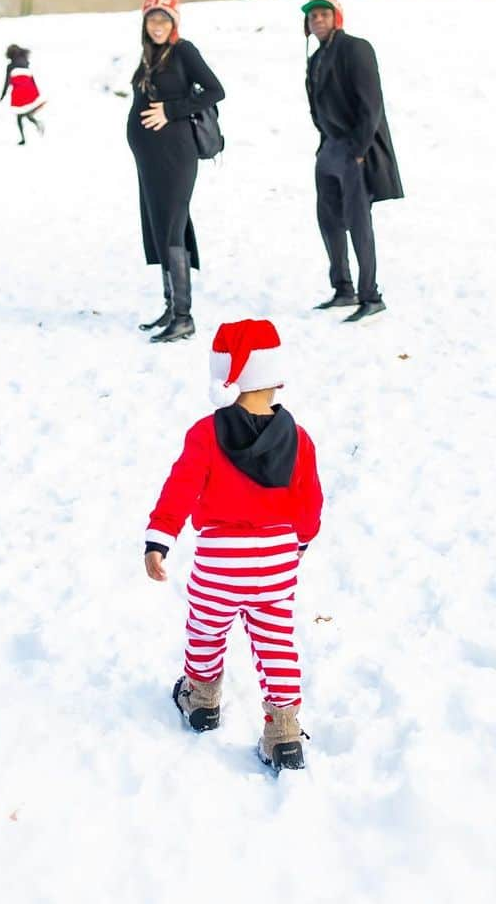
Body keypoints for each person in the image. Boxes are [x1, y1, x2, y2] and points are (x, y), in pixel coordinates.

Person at [144, 319, 323, 771]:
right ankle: (283, 733)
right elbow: (311, 502)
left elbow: (180, 489)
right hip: (276, 559)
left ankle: (202, 699)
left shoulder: (206, 433)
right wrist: (298, 543)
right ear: (276, 376)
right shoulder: (299, 440)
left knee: (206, 628)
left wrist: (160, 537)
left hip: (221, 560)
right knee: (276, 641)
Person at [127, 0, 225, 343]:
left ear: (173, 22)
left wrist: (171, 110)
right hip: (150, 159)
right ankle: (171, 307)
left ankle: (184, 317)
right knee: (159, 229)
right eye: (152, 18)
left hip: (175, 155)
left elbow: (216, 90)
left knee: (172, 229)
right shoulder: (150, 55)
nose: (157, 25)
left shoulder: (184, 51)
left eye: (163, 19)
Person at [303, 0, 403, 321]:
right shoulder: (315, 57)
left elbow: (371, 104)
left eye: (323, 13)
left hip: (354, 148)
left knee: (359, 222)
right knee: (328, 220)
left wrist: (359, 150)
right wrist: (323, 145)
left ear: (336, 17)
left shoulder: (356, 48)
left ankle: (370, 295)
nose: (318, 19)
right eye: (313, 15)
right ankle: (343, 289)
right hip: (328, 148)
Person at [0, 44, 46, 145]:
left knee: (20, 116)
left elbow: (7, 82)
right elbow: (32, 78)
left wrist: (2, 95)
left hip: (20, 93)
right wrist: (37, 92)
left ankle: (23, 138)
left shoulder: (10, 66)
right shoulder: (26, 63)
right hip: (30, 91)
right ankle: (37, 124)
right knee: (26, 114)